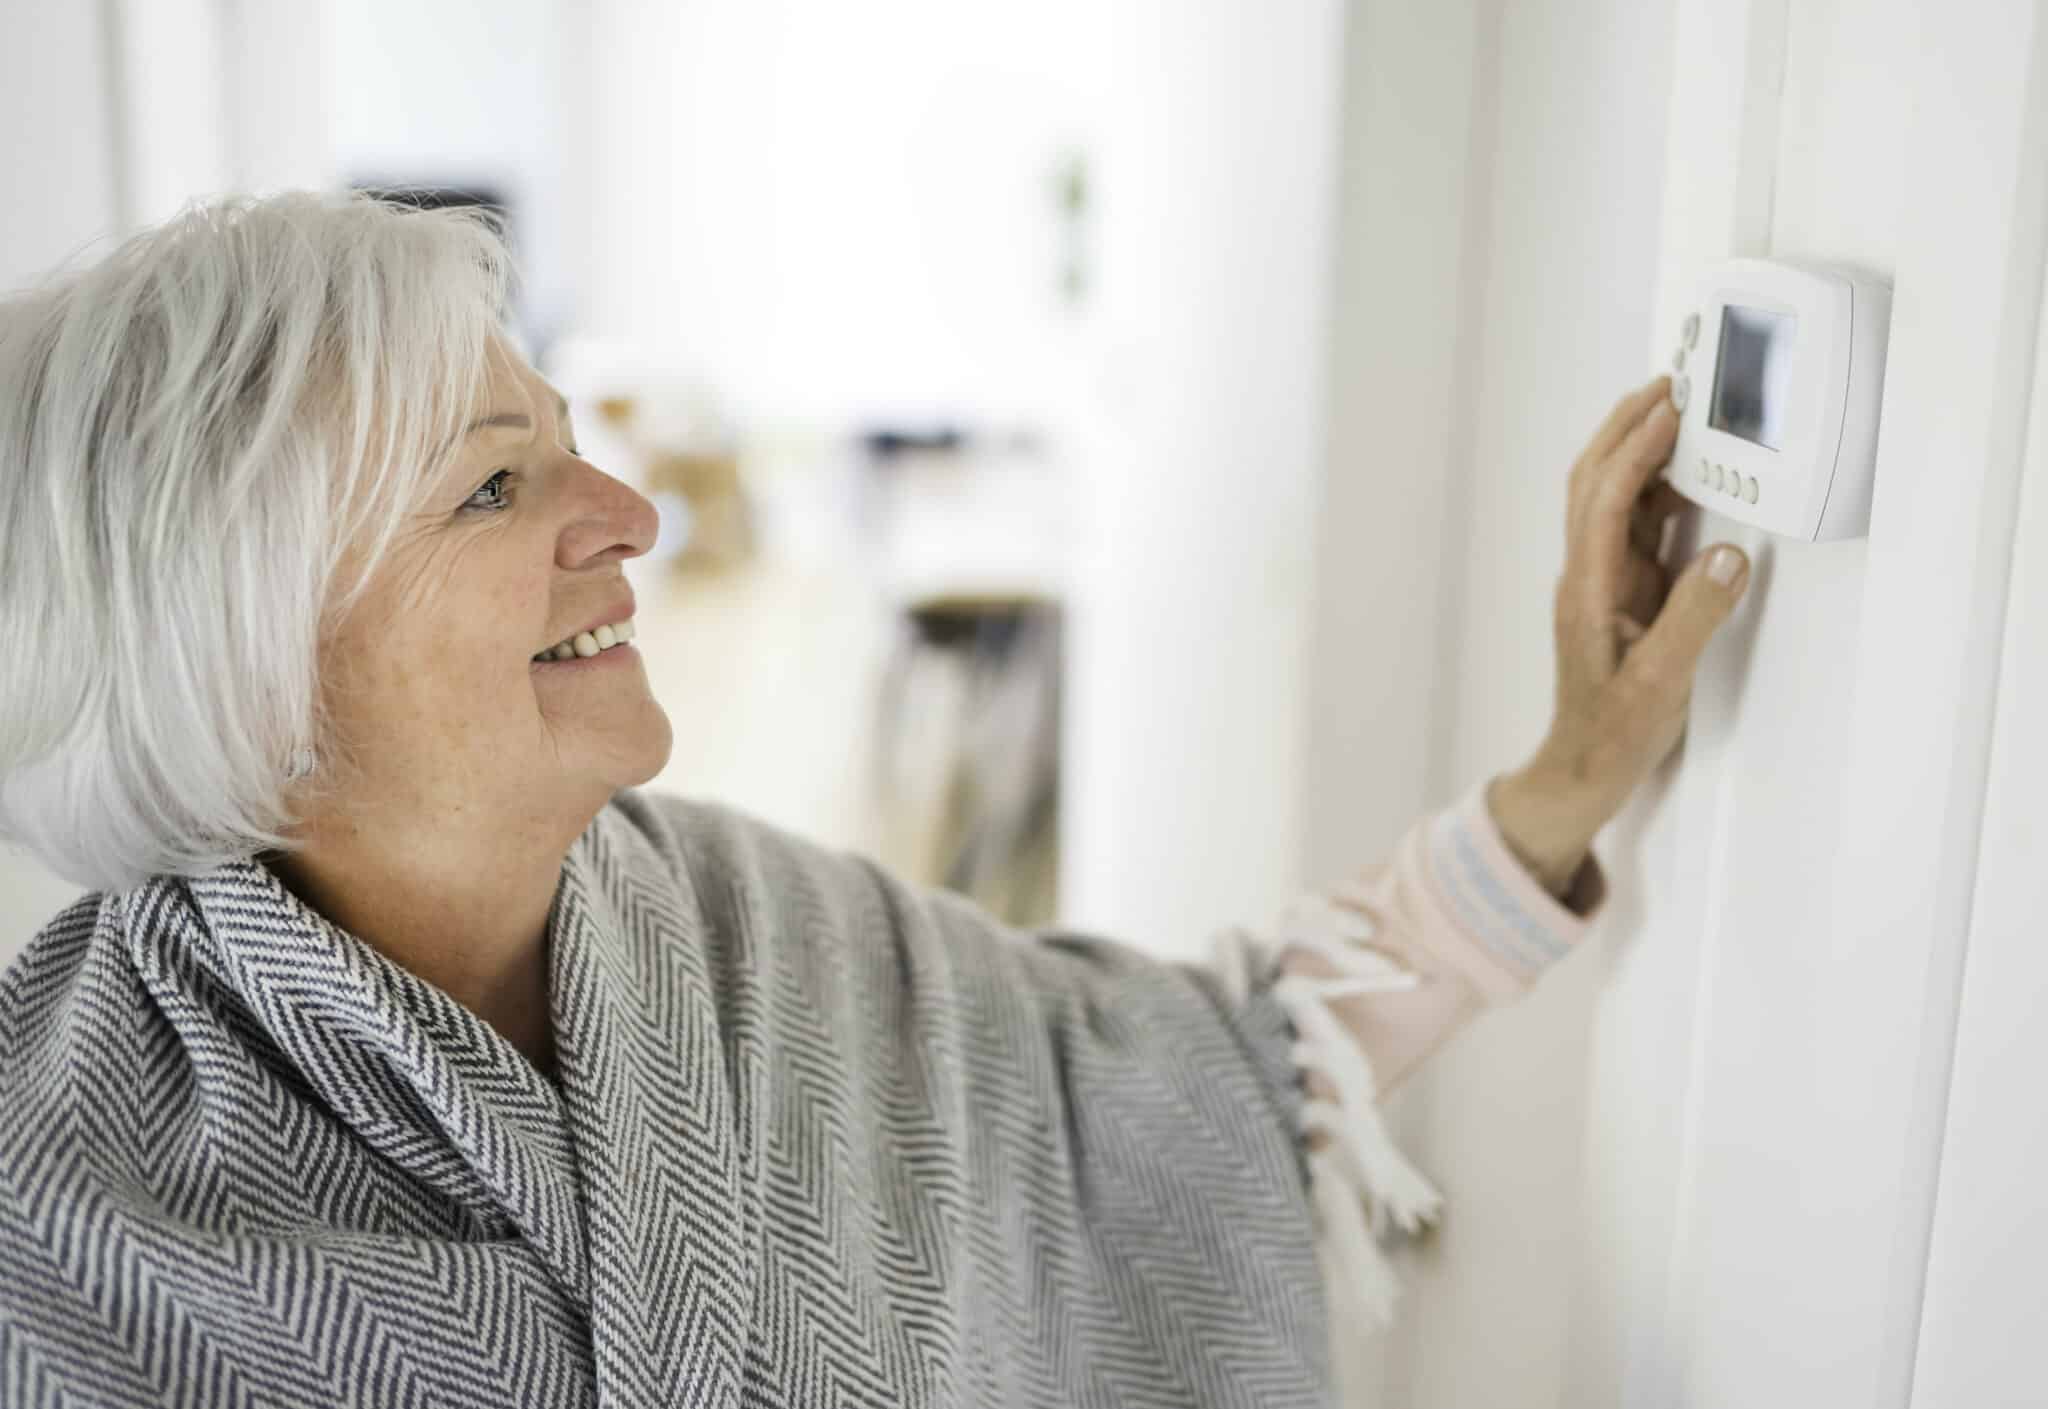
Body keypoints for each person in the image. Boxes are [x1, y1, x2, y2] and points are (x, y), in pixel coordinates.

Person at [0, 193, 1748, 1409]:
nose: (629, 512)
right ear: (246, 669)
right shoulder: (52, 1234)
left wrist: (1566, 777)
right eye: (496, 483)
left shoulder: (768, 938)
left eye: (569, 434)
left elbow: (1204, 1075)